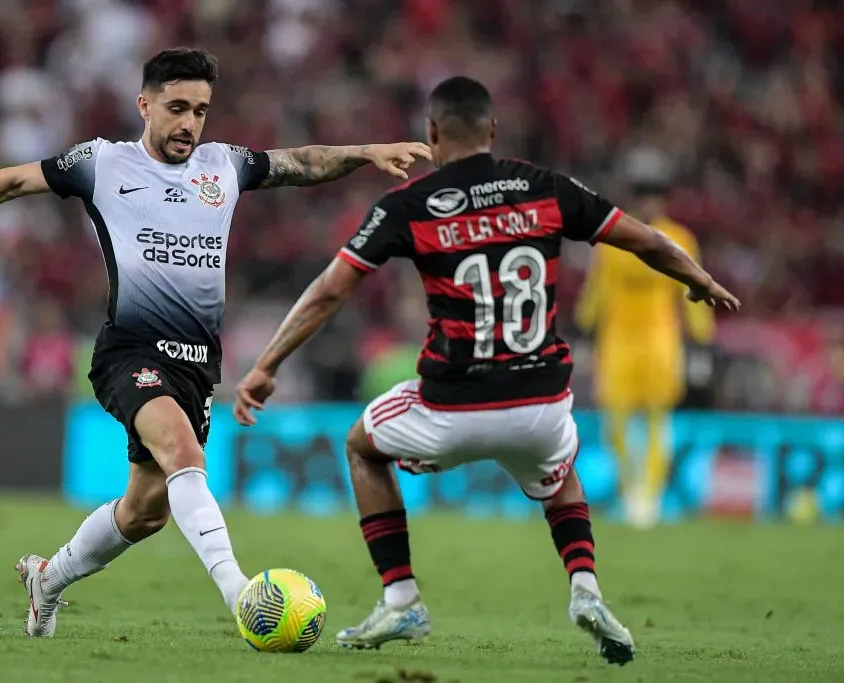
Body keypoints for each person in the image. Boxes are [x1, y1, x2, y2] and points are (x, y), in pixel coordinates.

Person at [0, 48, 432, 638]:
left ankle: (47, 579)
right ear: (145, 104)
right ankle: (244, 598)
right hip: (130, 351)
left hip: (196, 366)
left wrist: (365, 153)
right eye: (177, 107)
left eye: (201, 111)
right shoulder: (103, 163)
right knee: (186, 455)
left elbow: (303, 163)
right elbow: (8, 182)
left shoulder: (225, 166)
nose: (189, 123)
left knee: (147, 509)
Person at [232, 76, 740, 664]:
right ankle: (585, 587)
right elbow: (645, 241)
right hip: (542, 403)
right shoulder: (546, 188)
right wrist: (697, 279)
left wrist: (266, 365)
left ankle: (400, 599)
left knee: (361, 445)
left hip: (452, 407)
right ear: (493, 130)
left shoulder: (410, 203)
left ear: (431, 132)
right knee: (560, 473)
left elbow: (329, 291)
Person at [575, 147, 714, 528]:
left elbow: (694, 290)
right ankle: (629, 487)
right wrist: (584, 330)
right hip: (617, 342)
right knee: (615, 422)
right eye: (641, 192)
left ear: (664, 197)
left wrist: (701, 342)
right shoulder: (612, 237)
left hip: (660, 341)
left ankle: (647, 497)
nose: (646, 200)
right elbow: (597, 290)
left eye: (653, 193)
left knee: (656, 420)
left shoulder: (679, 237)